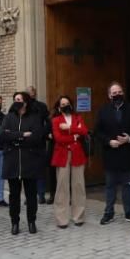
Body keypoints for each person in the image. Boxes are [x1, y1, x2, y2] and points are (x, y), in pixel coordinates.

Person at [94, 82, 130, 225]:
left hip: (126, 154)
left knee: (127, 185)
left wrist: (129, 138)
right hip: (110, 154)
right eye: (114, 93)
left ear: (123, 93)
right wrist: (108, 141)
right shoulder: (103, 111)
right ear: (109, 95)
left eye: (119, 92)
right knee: (110, 186)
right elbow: (97, 132)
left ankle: (129, 212)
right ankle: (108, 213)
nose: (117, 95)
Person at [2, 91, 46, 235]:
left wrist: (15, 138)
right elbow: (2, 134)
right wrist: (22, 135)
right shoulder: (8, 117)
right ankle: (14, 222)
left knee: (31, 195)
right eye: (15, 99)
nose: (17, 101)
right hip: (12, 161)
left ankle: (31, 221)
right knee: (14, 196)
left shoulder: (35, 117)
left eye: (19, 99)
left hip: (30, 161)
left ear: (26, 102)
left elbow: (37, 137)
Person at [50, 95, 89, 229]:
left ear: (71, 105)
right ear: (59, 107)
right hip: (62, 155)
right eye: (62, 104)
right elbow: (58, 138)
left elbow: (84, 131)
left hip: (77, 155)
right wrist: (74, 136)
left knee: (79, 185)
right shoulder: (55, 120)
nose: (65, 105)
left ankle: (79, 217)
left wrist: (68, 129)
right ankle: (62, 219)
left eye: (67, 103)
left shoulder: (78, 118)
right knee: (62, 187)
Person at [26, 86, 52, 204]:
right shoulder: (23, 107)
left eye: (31, 93)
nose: (30, 95)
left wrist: (43, 133)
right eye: (28, 93)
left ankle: (41, 195)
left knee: (40, 169)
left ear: (35, 94)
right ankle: (29, 196)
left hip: (40, 142)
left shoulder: (42, 106)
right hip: (26, 142)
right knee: (28, 171)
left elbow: (48, 121)